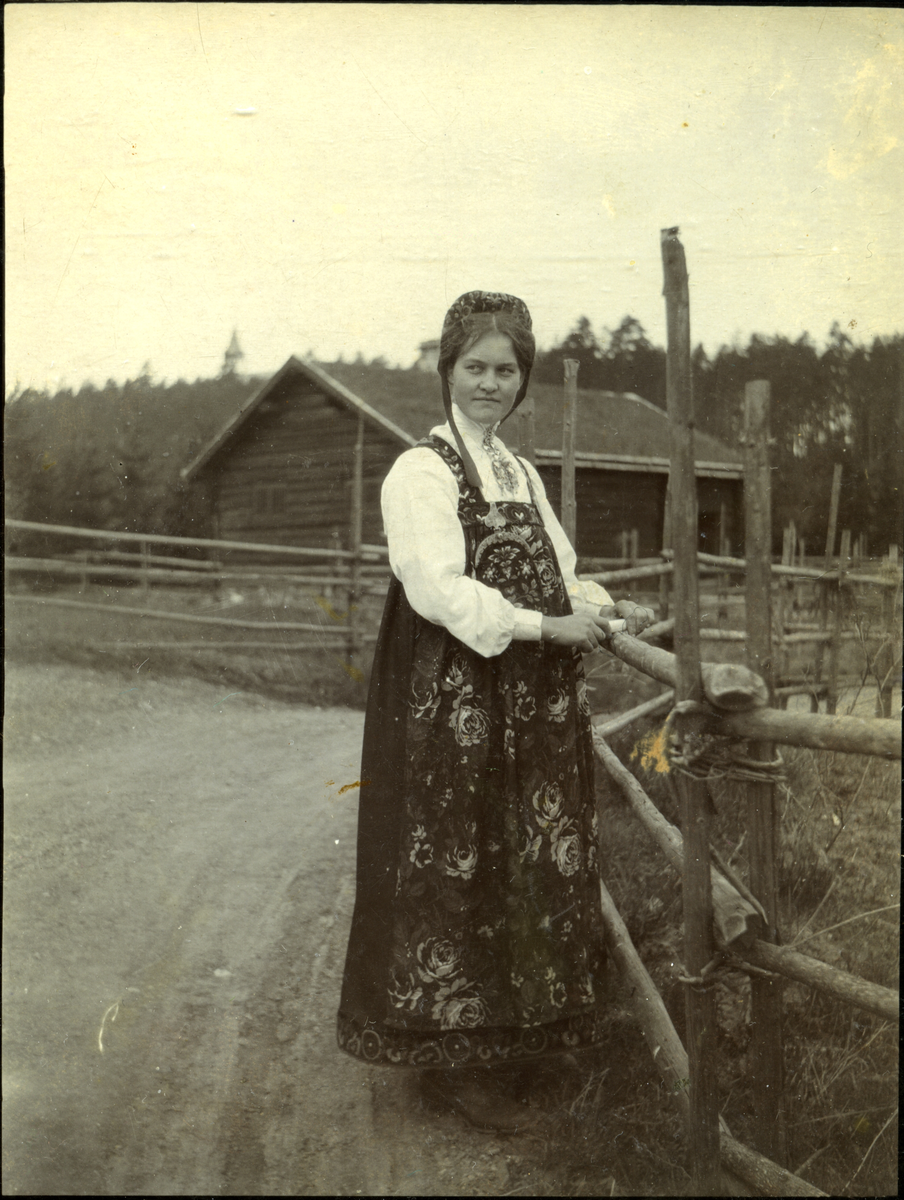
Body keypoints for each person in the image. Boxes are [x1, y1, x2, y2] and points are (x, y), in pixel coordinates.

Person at [336, 291, 654, 1132]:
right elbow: (437, 589)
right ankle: (454, 1061)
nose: (489, 383)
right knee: (459, 857)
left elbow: (560, 571)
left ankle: (527, 1040)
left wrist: (606, 609)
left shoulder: (520, 472)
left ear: (523, 381)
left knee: (528, 857)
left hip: (535, 702)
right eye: (474, 367)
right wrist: (546, 625)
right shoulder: (420, 472)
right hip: (456, 702)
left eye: (505, 370)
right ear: (447, 371)